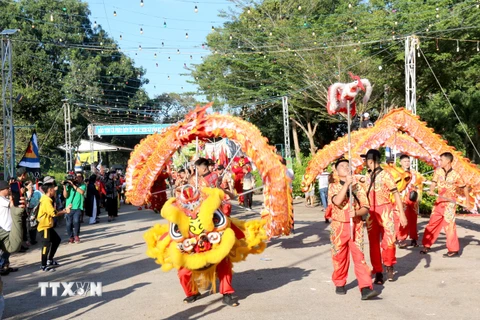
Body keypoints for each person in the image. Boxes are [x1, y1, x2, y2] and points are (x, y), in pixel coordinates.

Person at [328, 158, 378, 300]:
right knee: (339, 256)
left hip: (355, 225)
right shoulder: (333, 186)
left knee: (359, 257)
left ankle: (366, 287)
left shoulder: (358, 187)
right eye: (342, 166)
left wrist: (356, 213)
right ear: (337, 171)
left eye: (347, 165)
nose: (345, 167)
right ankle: (339, 282)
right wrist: (347, 184)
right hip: (339, 226)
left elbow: (365, 207)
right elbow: (337, 202)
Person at [364, 149, 407, 284]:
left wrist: (402, 214)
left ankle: (389, 265)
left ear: (370, 161)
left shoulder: (386, 175)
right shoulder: (367, 175)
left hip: (385, 211)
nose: (365, 163)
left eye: (366, 161)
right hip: (371, 212)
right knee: (373, 243)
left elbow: (396, 195)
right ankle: (378, 271)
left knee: (389, 241)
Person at [421, 152, 469, 257]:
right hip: (439, 201)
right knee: (432, 223)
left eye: (441, 160)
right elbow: (433, 182)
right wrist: (432, 190)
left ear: (448, 161)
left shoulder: (456, 175)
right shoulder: (438, 171)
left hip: (449, 203)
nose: (440, 162)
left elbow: (464, 188)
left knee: (449, 226)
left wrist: (468, 202)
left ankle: (453, 250)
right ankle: (426, 244)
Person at [37, 178, 71, 271]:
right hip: (44, 227)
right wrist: (65, 211)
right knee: (46, 245)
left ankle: (50, 260)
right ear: (49, 190)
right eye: (53, 188)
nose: (54, 190)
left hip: (48, 226)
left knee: (56, 240)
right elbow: (53, 213)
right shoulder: (46, 200)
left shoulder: (47, 199)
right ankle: (43, 265)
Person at [398, 155, 420, 248]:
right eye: (405, 161)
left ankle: (414, 238)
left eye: (408, 161)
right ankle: (401, 238)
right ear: (400, 163)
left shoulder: (414, 173)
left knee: (413, 219)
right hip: (403, 198)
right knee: (404, 218)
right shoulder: (398, 173)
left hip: (413, 198)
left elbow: (419, 184)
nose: (407, 163)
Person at [63, 173, 86, 243]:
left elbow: (81, 192)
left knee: (76, 221)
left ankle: (76, 235)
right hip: (69, 208)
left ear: (82, 178)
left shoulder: (83, 185)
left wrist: (73, 185)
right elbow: (65, 196)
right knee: (68, 224)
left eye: (80, 177)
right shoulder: (68, 186)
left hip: (78, 207)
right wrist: (64, 186)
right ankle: (71, 237)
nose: (78, 178)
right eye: (77, 177)